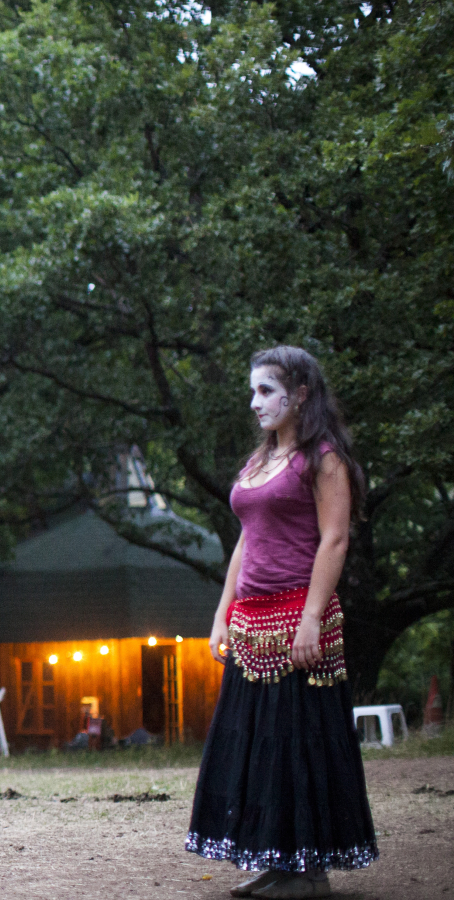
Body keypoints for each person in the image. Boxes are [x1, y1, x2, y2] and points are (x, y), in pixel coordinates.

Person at [186, 346, 376, 899]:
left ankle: (308, 871)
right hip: (252, 622)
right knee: (255, 745)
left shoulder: (323, 458)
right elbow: (248, 540)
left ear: (301, 394)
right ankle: (277, 859)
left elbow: (335, 538)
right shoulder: (259, 461)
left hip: (298, 616)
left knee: (296, 742)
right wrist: (222, 612)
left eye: (265, 391)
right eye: (252, 392)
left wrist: (312, 618)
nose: (255, 403)